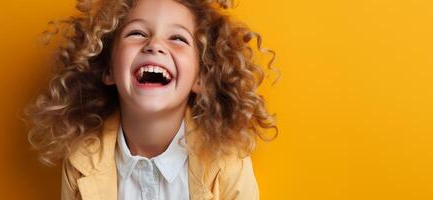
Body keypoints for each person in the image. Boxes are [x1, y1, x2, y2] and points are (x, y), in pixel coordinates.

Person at [25, 0, 278, 199]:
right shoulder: (81, 159)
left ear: (200, 78)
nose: (154, 45)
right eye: (136, 33)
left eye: (177, 38)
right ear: (109, 69)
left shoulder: (227, 163)